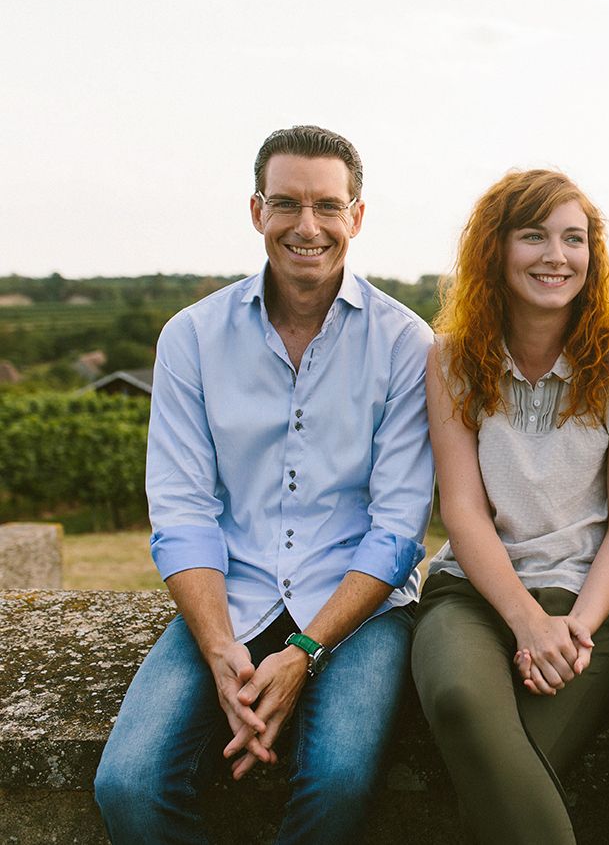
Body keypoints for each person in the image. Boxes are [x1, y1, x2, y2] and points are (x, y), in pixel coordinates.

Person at [94, 125, 436, 844]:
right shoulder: (190, 337)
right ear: (257, 212)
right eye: (286, 204)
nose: (306, 226)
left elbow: (398, 529)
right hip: (233, 593)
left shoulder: (407, 343)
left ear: (358, 216)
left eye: (327, 206)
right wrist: (220, 648)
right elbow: (183, 513)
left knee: (339, 780)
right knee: (127, 785)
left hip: (359, 608)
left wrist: (304, 653)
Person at [410, 170, 609, 844]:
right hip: (472, 594)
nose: (557, 255)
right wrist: (525, 623)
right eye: (534, 236)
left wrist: (572, 625)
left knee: (506, 778)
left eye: (573, 239)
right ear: (496, 249)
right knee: (462, 702)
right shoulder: (451, 359)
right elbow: (462, 508)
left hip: (589, 608)